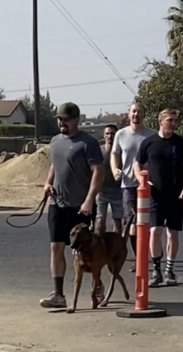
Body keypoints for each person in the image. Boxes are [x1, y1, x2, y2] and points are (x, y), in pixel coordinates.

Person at [40, 102, 104, 308]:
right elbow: (54, 165)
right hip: (57, 203)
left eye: (66, 119)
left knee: (83, 252)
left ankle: (97, 285)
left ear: (76, 119)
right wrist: (48, 183)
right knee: (55, 247)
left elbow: (98, 172)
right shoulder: (55, 141)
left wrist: (89, 199)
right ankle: (58, 295)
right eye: (59, 119)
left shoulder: (88, 143)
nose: (62, 123)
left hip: (80, 207)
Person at [134, 108, 183, 287]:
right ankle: (156, 269)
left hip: (176, 195)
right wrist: (142, 180)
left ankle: (169, 270)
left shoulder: (181, 144)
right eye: (170, 120)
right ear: (160, 121)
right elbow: (137, 164)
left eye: (175, 121)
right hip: (155, 195)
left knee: (172, 233)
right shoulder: (149, 142)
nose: (173, 124)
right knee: (155, 231)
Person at [111, 103, 155, 272]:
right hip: (128, 185)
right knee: (131, 223)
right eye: (133, 111)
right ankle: (139, 258)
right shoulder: (121, 135)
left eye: (139, 112)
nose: (136, 114)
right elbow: (114, 155)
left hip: (148, 185)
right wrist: (115, 169)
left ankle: (149, 256)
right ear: (128, 114)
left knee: (147, 224)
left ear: (144, 114)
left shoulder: (151, 135)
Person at [95, 124, 123, 235]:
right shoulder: (98, 151)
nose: (110, 136)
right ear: (104, 135)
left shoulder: (121, 152)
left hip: (118, 191)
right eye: (107, 133)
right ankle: (99, 247)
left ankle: (116, 249)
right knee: (99, 222)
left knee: (118, 223)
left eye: (112, 133)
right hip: (101, 191)